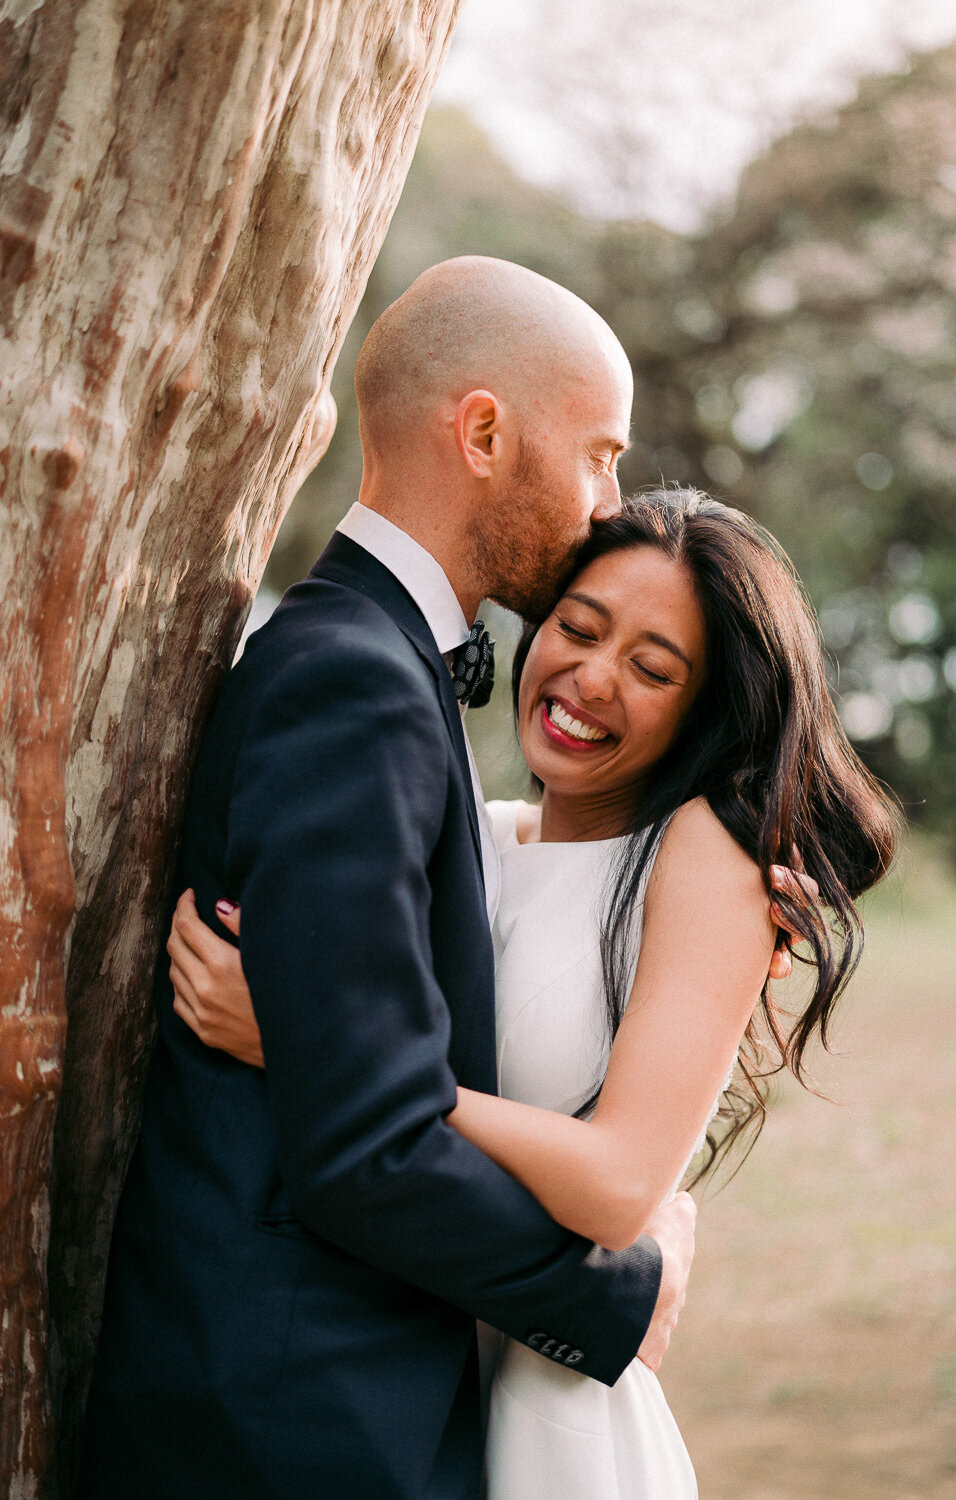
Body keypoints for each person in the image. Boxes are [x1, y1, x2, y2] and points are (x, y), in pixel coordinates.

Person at [78, 257, 713, 1500]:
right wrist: (611, 1294)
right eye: (597, 453)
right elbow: (367, 1144)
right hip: (291, 1424)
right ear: (482, 432)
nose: (609, 499)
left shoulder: (380, 665)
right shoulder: (353, 680)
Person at [168, 489, 899, 1496]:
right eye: (576, 627)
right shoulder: (481, 832)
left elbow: (615, 1187)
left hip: (550, 1413)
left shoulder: (704, 859)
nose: (589, 678)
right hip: (406, 1367)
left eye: (651, 669)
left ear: (704, 705)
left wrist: (314, 1051)